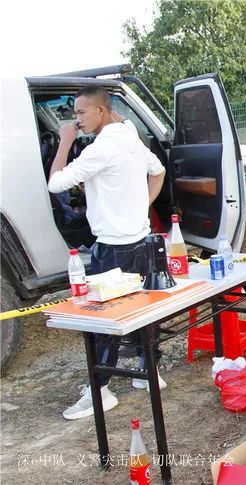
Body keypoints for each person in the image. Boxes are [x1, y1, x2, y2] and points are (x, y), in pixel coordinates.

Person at [48, 86, 167, 420]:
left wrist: (65, 141)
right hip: (142, 240)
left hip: (114, 249)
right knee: (144, 310)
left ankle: (100, 391)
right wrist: (142, 204)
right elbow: (157, 170)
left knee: (106, 320)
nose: (77, 120)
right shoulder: (130, 138)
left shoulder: (100, 149)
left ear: (100, 110)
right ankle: (149, 372)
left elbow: (55, 183)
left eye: (81, 113)